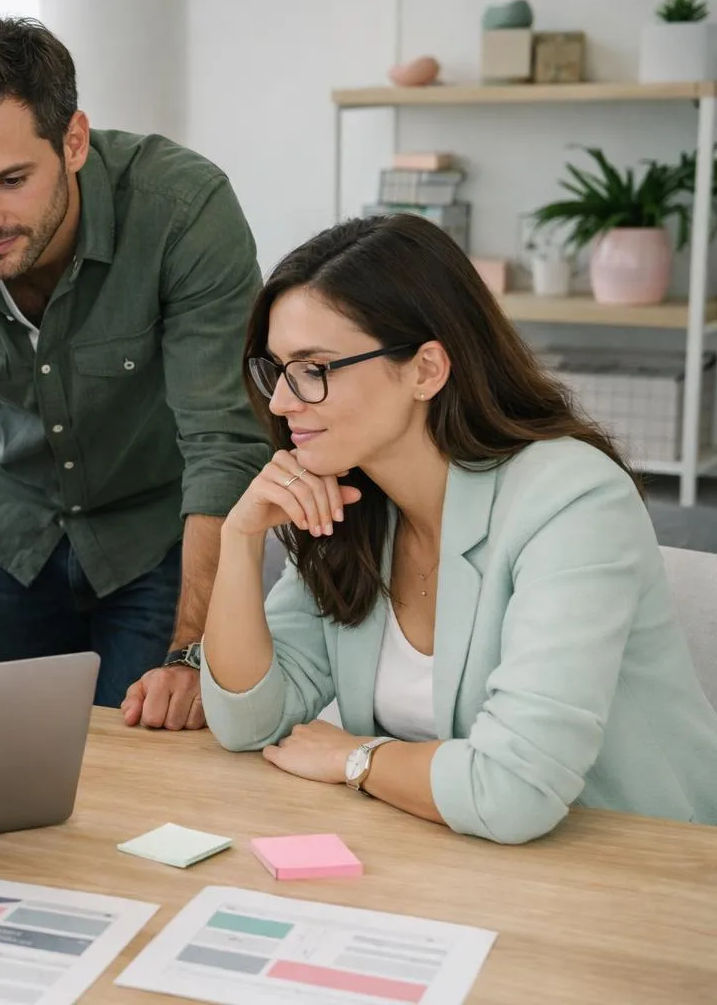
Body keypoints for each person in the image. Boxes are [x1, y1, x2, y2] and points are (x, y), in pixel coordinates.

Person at [196, 212, 717, 843]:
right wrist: (240, 540)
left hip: (642, 865)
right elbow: (247, 722)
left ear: (425, 370)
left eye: (315, 370)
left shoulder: (573, 500)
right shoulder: (355, 504)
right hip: (450, 857)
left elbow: (514, 791)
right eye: (277, 369)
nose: (281, 402)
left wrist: (357, 758)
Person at [0, 15, 266, 713]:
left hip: (155, 536)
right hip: (6, 531)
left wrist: (194, 651)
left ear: (73, 141)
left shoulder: (182, 211)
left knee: (144, 750)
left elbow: (224, 441)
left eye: (11, 179)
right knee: (22, 755)